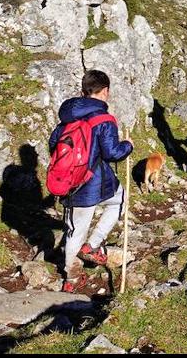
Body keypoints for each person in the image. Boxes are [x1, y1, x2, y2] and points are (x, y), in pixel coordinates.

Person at [47, 69, 132, 293]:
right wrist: (128, 145)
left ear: (83, 91)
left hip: (70, 182)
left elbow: (54, 145)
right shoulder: (104, 119)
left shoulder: (66, 118)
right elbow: (113, 152)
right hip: (94, 181)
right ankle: (92, 246)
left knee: (75, 229)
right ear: (105, 91)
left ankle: (72, 278)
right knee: (119, 201)